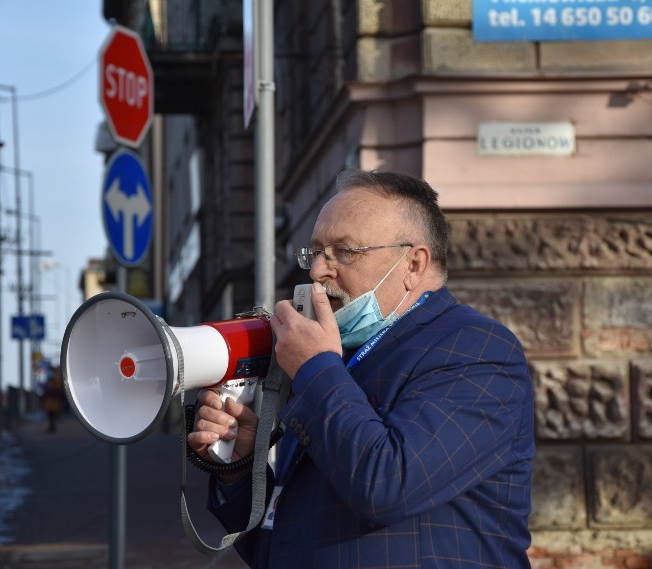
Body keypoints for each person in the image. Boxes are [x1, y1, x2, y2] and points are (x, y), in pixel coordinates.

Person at [187, 169, 535, 568]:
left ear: (413, 265)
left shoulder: (477, 350)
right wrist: (240, 470)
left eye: (344, 252)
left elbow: (388, 485)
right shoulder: (336, 361)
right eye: (315, 252)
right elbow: (280, 544)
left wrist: (316, 368)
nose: (319, 271)